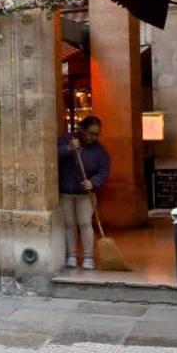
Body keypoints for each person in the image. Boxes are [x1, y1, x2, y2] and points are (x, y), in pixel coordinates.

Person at [57, 115, 109, 270]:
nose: (93, 137)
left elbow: (104, 170)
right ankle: (71, 255)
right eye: (90, 133)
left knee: (85, 223)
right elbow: (51, 156)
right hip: (65, 192)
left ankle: (88, 257)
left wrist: (93, 182)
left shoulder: (99, 151)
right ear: (81, 129)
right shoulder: (65, 139)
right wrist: (68, 149)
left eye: (96, 134)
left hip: (86, 194)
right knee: (69, 224)